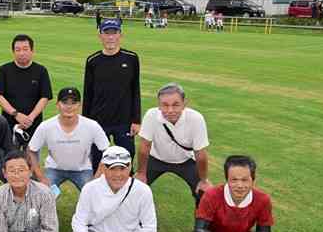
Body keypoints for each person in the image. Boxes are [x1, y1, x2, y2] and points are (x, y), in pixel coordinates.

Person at [62, 146, 169, 232]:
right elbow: (78, 222)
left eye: (123, 168)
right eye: (112, 168)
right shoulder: (90, 188)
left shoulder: (143, 190)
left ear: (130, 167)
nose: (118, 174)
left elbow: (150, 228)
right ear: (103, 168)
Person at [185, 155, 275, 232]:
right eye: (234, 180)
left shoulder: (263, 199)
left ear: (253, 179)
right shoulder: (212, 195)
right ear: (227, 179)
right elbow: (200, 229)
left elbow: (264, 231)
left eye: (245, 180)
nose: (239, 185)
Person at [136, 83, 211, 206]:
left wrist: (204, 181)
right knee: (135, 189)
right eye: (165, 105)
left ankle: (201, 225)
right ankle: (135, 222)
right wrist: (141, 173)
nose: (170, 110)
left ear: (184, 103)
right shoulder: (151, 115)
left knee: (204, 194)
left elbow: (200, 154)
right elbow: (144, 146)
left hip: (186, 161)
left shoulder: (196, 118)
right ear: (158, 105)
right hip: (156, 159)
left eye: (175, 105)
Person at [83, 18, 141, 171]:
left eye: (114, 33)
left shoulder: (131, 58)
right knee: (98, 162)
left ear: (120, 35)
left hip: (124, 121)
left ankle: (126, 192)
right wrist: (86, 123)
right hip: (98, 121)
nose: (110, 37)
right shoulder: (92, 61)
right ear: (100, 35)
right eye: (106, 33)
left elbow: (135, 90)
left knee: (127, 160)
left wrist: (136, 120)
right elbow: (88, 94)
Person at [28, 87, 110, 192]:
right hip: (54, 169)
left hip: (83, 170)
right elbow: (32, 150)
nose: (69, 107)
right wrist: (41, 177)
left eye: (73, 103)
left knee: (94, 195)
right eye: (65, 102)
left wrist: (97, 178)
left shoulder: (92, 125)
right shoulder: (46, 126)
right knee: (43, 195)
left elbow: (107, 151)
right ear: (57, 104)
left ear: (79, 105)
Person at [0, 34, 53, 147]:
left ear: (32, 51)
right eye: (17, 49)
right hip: (9, 125)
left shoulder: (41, 71)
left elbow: (45, 97)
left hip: (33, 125)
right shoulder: (4, 70)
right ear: (13, 52)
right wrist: (16, 114)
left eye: (25, 49)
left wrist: (30, 118)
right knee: (10, 160)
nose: (21, 53)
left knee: (31, 160)